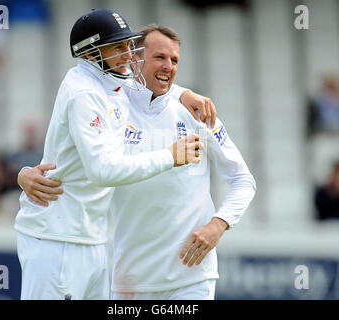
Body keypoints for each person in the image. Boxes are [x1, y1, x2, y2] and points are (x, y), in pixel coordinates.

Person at [19, 24, 256, 300]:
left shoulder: (197, 113)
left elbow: (243, 179)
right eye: (159, 57)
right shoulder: (113, 102)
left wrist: (218, 225)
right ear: (136, 57)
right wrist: (24, 174)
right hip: (129, 281)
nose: (168, 66)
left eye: (175, 60)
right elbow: (74, 151)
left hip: (192, 277)